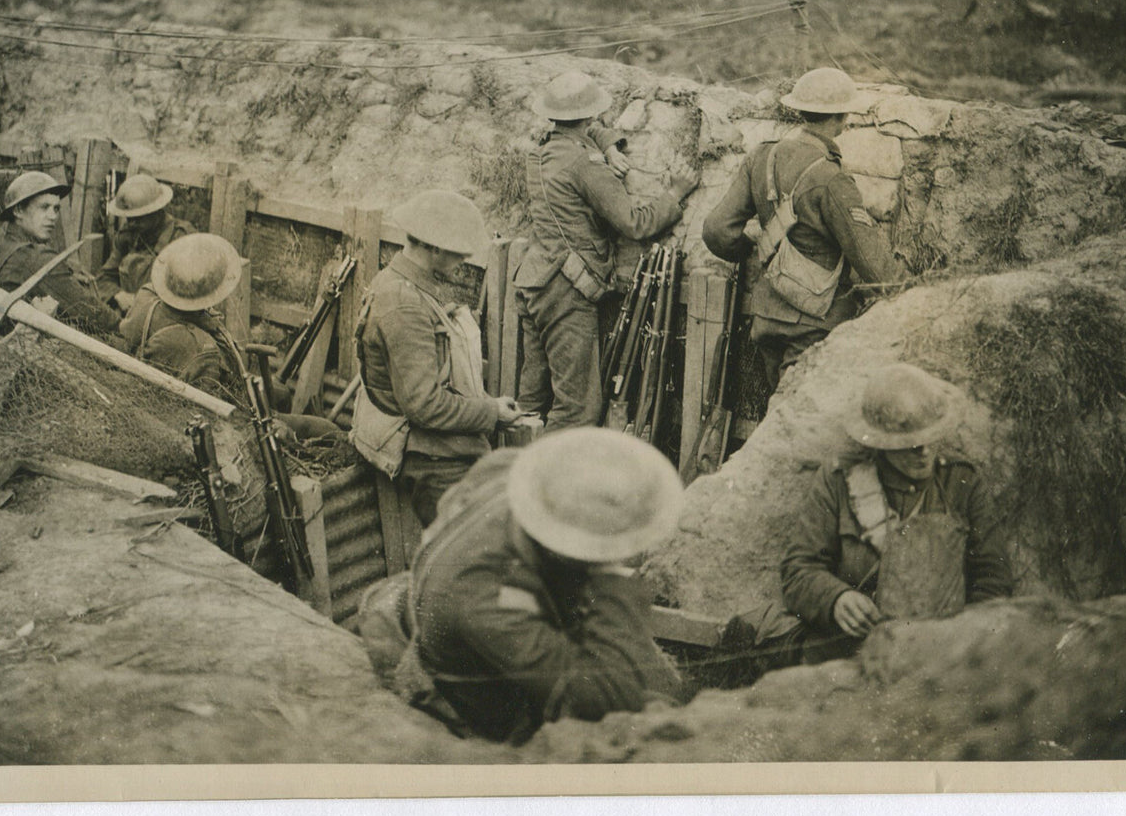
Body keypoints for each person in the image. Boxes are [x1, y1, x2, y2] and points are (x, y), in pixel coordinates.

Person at [406, 428, 685, 743]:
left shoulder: (512, 469)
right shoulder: (483, 597)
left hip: (497, 611)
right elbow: (609, 700)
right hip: (486, 708)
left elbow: (450, 501)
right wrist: (611, 576)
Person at [780, 363, 1012, 664]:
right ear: (882, 443)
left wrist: (962, 643)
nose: (924, 452)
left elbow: (993, 580)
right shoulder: (839, 481)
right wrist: (835, 599)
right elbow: (798, 570)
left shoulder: (961, 483)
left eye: (931, 438)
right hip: (854, 655)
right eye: (911, 445)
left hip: (941, 657)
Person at [702, 67, 906, 397]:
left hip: (767, 315)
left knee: (780, 407)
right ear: (842, 118)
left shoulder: (762, 157)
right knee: (801, 414)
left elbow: (716, 230)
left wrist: (752, 250)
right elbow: (877, 268)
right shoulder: (832, 179)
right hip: (815, 324)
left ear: (799, 111)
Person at [514, 71, 699, 432]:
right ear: (591, 114)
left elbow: (585, 133)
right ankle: (553, 471)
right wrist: (675, 194)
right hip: (564, 291)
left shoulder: (543, 152)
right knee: (576, 410)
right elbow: (634, 222)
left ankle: (511, 464)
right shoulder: (585, 164)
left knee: (531, 402)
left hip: (534, 281)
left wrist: (610, 146)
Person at [352, 189, 523, 525]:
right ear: (433, 248)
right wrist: (491, 412)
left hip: (433, 441)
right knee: (484, 532)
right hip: (428, 458)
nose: (463, 262)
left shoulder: (403, 284)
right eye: (459, 253)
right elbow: (425, 405)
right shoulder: (404, 305)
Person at [120, 232, 337, 441]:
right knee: (324, 428)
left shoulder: (147, 297)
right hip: (221, 415)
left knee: (281, 394)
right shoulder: (202, 350)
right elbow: (219, 420)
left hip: (157, 391)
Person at [0, 170, 120, 335]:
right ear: (18, 211)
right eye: (44, 207)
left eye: (56, 208)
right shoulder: (35, 256)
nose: (52, 216)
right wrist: (122, 327)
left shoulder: (5, 245)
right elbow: (86, 308)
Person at [97, 173, 195, 313]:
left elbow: (191, 294)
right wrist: (118, 295)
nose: (132, 224)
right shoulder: (127, 236)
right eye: (129, 219)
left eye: (138, 218)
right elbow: (104, 277)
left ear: (156, 211)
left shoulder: (182, 238)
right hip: (129, 316)